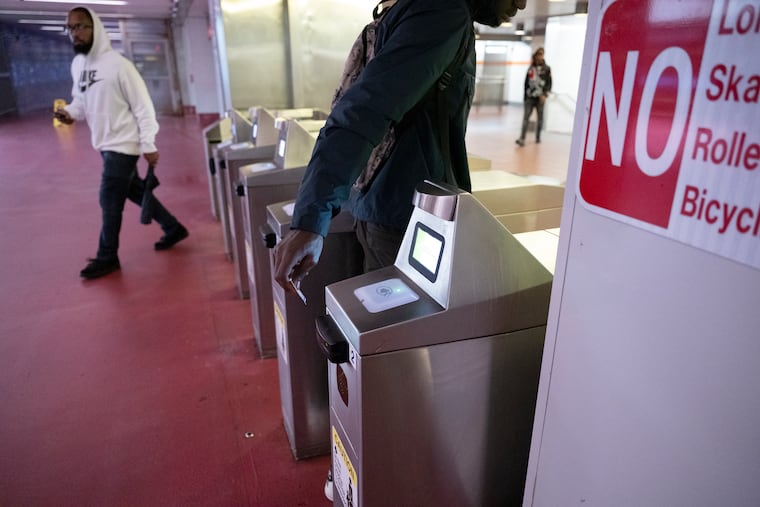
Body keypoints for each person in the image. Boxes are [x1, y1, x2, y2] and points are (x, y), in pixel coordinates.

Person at [274, 0, 528, 295]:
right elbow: (363, 110)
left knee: (375, 331)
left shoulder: (407, 10)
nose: (521, 3)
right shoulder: (441, 11)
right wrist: (311, 218)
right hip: (410, 226)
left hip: (380, 210)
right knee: (401, 336)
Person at [55, 6, 188, 280]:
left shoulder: (119, 66)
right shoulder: (78, 65)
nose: (75, 33)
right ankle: (173, 227)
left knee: (109, 198)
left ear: (96, 28)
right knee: (135, 191)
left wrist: (148, 143)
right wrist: (69, 113)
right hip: (104, 144)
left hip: (125, 145)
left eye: (81, 26)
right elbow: (81, 102)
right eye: (70, 28)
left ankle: (107, 256)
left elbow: (143, 107)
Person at [516, 46, 551, 146]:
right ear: (535, 56)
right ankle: (522, 138)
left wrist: (545, 95)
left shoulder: (547, 69)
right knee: (526, 118)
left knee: (540, 119)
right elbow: (526, 83)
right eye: (538, 54)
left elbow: (549, 83)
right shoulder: (531, 69)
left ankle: (538, 137)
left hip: (540, 98)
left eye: (542, 54)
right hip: (530, 97)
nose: (540, 57)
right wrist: (525, 98)